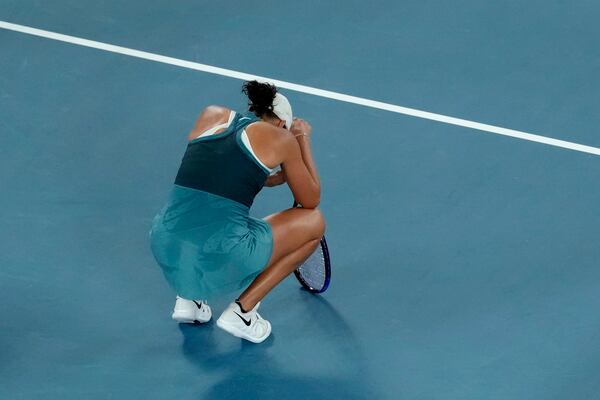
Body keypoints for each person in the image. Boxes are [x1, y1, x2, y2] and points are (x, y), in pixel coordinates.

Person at [149, 80, 324, 343]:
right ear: (281, 124)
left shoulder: (211, 114)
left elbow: (214, 171)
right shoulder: (284, 138)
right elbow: (310, 200)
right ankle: (242, 313)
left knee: (199, 217)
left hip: (165, 244)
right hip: (221, 252)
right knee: (314, 224)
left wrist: (266, 179)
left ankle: (188, 302)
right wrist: (301, 138)